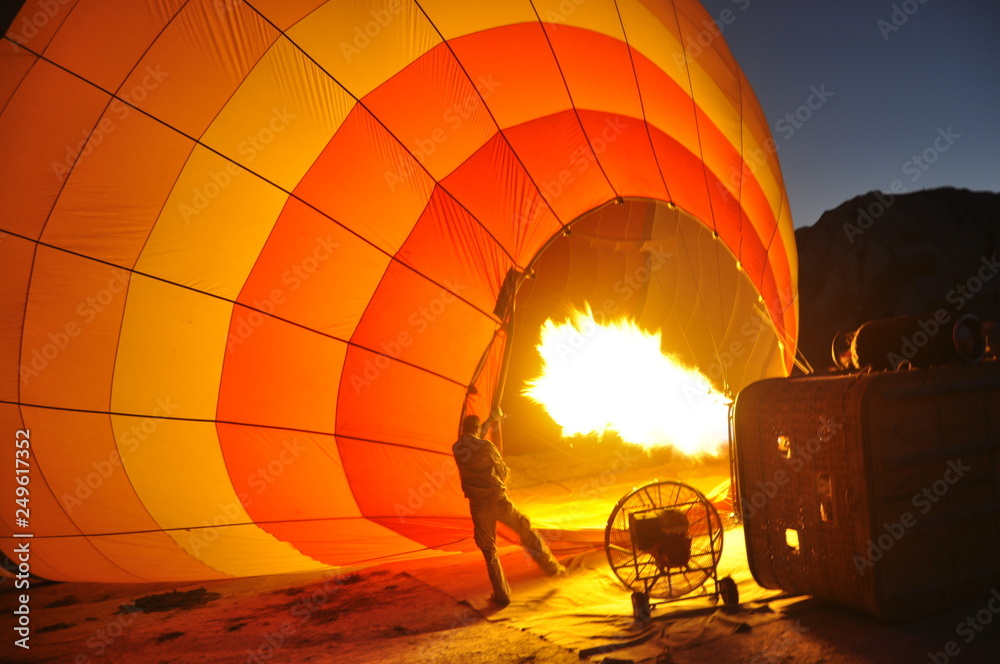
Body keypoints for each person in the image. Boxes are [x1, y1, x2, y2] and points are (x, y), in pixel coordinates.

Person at [452, 412, 565, 607]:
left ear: (463, 430)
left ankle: (502, 595)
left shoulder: (457, 448)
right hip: (499, 501)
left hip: (479, 507)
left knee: (489, 551)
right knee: (525, 529)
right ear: (478, 430)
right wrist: (501, 471)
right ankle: (552, 568)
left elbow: (474, 440)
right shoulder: (487, 446)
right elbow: (503, 471)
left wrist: (489, 421)